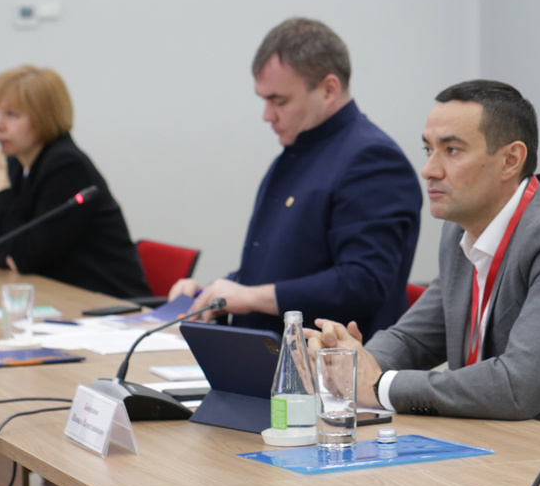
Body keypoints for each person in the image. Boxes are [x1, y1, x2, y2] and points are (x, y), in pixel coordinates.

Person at [308, 80, 540, 450]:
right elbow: (414, 338)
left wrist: (378, 386)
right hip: (513, 445)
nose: (429, 170)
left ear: (510, 160)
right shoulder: (462, 230)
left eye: (452, 150)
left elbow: (517, 387)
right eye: (428, 149)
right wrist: (349, 363)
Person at [169, 18, 421, 338]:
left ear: (329, 89)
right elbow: (279, 269)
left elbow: (364, 281)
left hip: (330, 361)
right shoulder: (297, 152)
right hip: (271, 354)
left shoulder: (373, 159)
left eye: (279, 101)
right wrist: (215, 293)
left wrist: (250, 297)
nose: (267, 115)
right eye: (264, 100)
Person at [0, 66, 149, 299]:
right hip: (58, 295)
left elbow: (24, 257)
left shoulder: (67, 166)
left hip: (108, 301)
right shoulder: (17, 163)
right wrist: (12, 255)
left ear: (44, 118)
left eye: (11, 115)